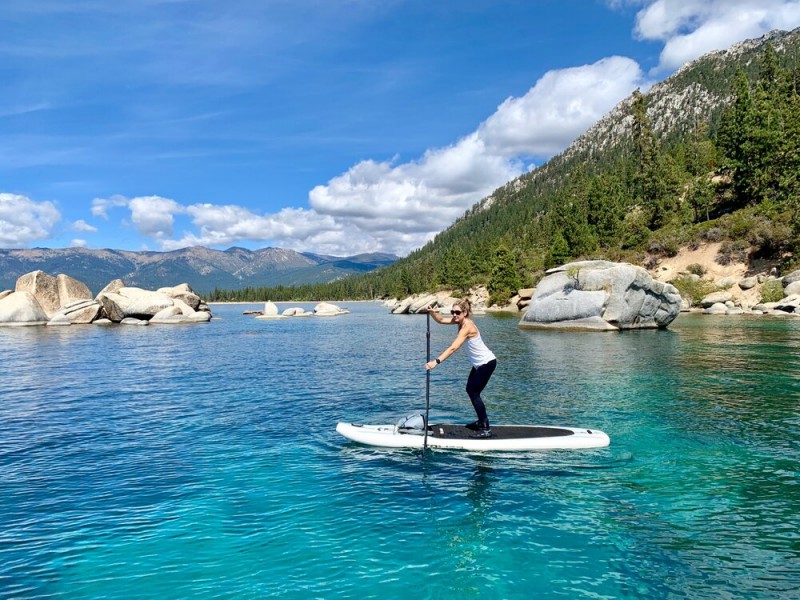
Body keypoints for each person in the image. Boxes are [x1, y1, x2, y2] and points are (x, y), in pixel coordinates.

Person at [425, 299, 497, 437]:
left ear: (465, 312)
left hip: (487, 363)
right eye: (453, 312)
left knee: (474, 392)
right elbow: (440, 320)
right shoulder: (459, 321)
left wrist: (436, 361)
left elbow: (453, 348)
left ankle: (486, 428)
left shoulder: (467, 327)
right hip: (478, 364)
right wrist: (433, 313)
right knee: (470, 390)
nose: (454, 315)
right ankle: (481, 422)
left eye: (457, 312)